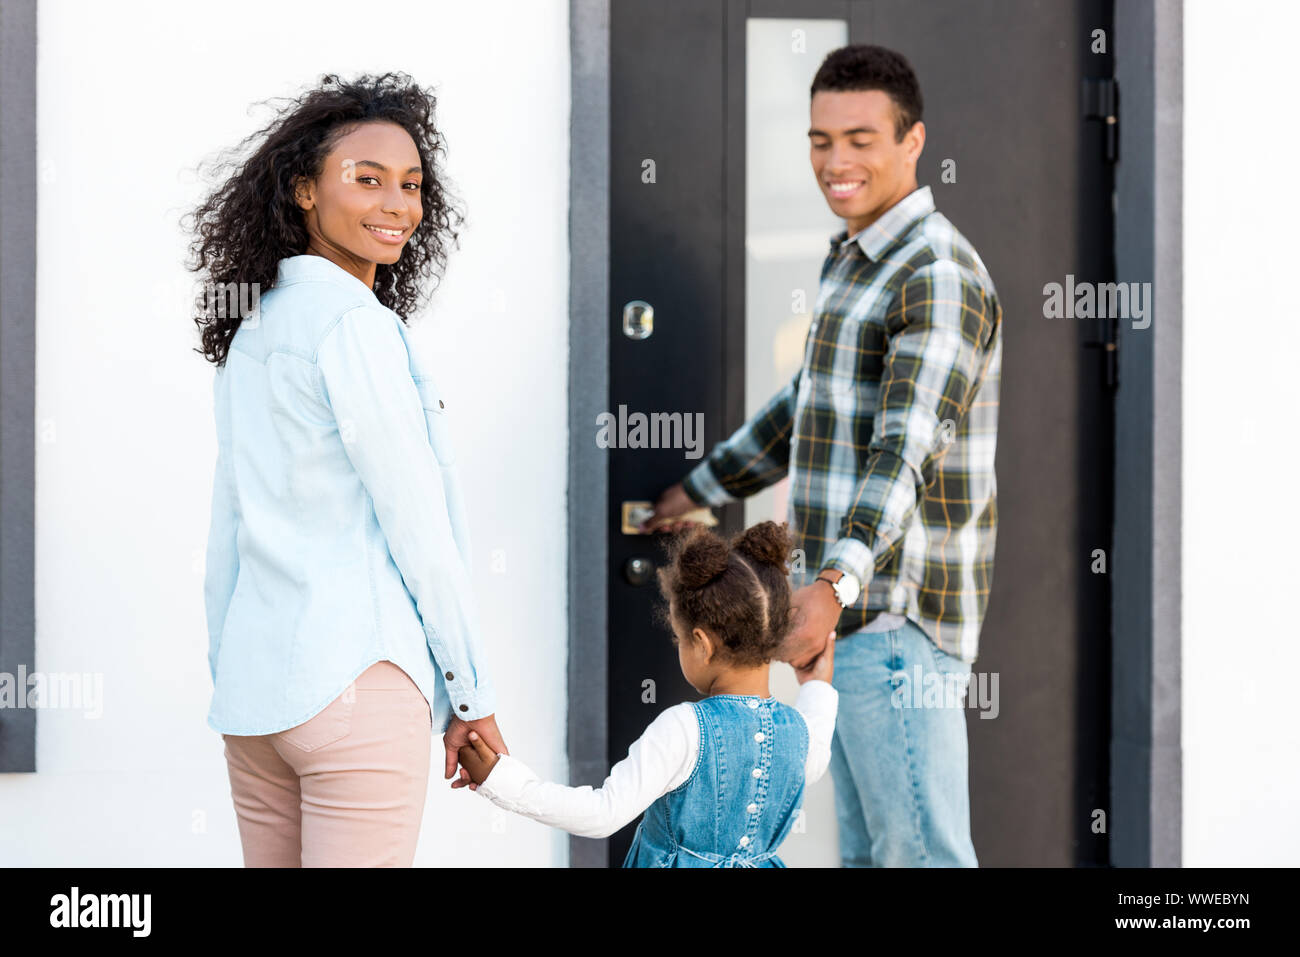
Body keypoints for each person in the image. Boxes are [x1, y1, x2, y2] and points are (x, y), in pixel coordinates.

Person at [643, 45, 1002, 867]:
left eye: (861, 138)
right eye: (819, 140)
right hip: (847, 623)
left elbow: (903, 451)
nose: (836, 161)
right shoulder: (853, 258)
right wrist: (696, 490)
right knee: (871, 858)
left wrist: (835, 586)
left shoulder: (935, 273)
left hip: (892, 618)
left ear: (913, 142)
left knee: (922, 856)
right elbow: (802, 411)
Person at [190, 72, 505, 867]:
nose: (396, 204)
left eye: (411, 185)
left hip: (258, 699)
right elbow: (418, 524)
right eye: (366, 180)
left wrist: (233, 670)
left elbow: (227, 524)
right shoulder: (356, 328)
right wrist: (470, 692)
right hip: (357, 684)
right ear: (303, 191)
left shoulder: (252, 329)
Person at [457, 522, 838, 868]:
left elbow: (604, 813)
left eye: (679, 638)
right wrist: (819, 684)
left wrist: (501, 780)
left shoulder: (686, 729)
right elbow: (819, 744)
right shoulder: (800, 735)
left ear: (702, 644)